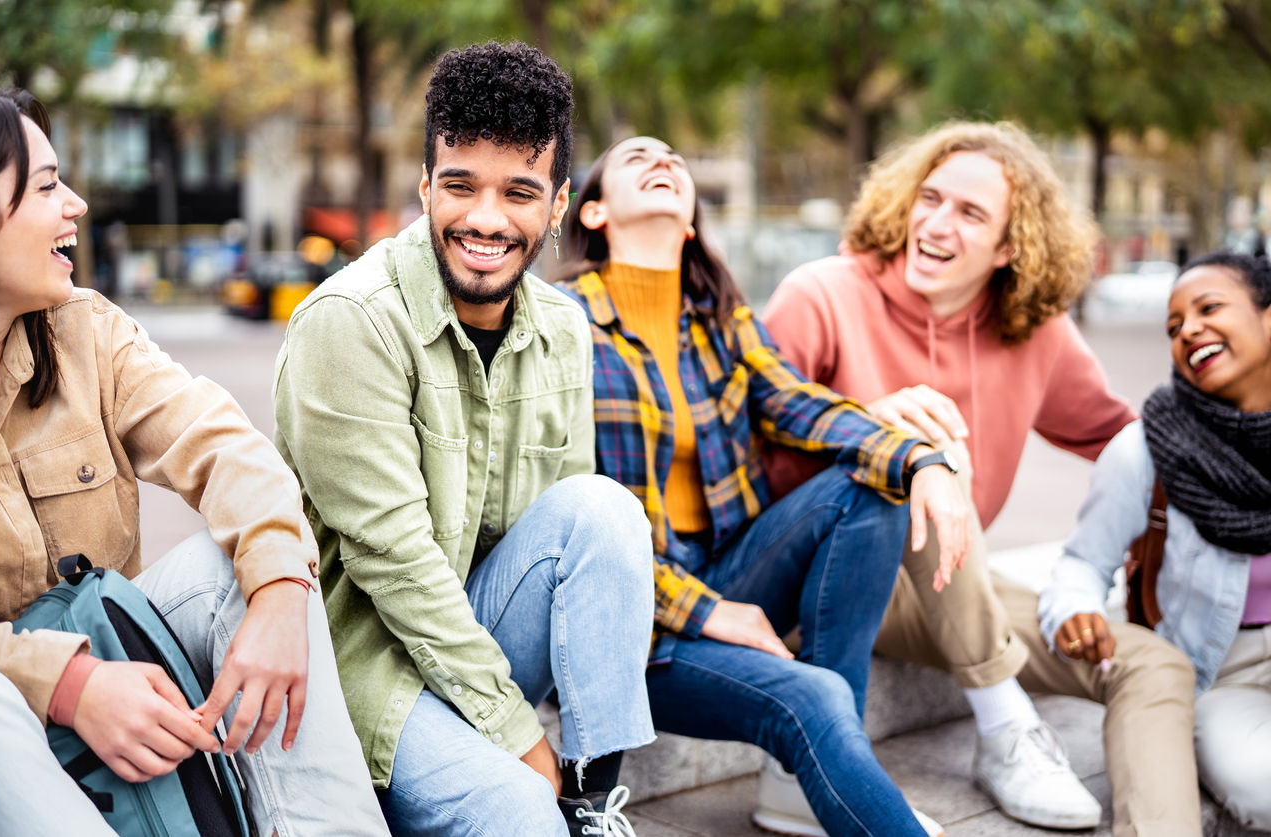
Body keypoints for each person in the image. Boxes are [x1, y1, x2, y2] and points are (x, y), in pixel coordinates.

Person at [763, 121, 1199, 835]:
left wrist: (1163, 522)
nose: (935, 223)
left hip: (948, 580)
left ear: (1010, 246)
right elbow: (748, 454)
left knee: (1154, 665)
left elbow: (1124, 440)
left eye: (970, 213)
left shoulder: (1033, 329)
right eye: (929, 198)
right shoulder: (820, 294)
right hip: (821, 581)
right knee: (921, 446)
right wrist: (870, 430)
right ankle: (1005, 727)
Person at [272, 42, 656, 837]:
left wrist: (524, 725)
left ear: (556, 205)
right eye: (460, 186)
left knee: (605, 510)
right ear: (424, 190)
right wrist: (517, 733)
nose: (485, 218)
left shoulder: (563, 329)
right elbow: (395, 564)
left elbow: (564, 549)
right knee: (522, 813)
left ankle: (592, 805)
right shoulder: (352, 321)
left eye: (518, 191)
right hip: (361, 668)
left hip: (473, 636)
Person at [0, 88, 387, 836]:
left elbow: (224, 443)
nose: (74, 203)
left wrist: (277, 588)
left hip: (126, 688)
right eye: (45, 186)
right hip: (10, 744)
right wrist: (68, 682)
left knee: (230, 565)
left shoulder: (86, 334)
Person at [556, 135, 973, 837]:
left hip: (728, 572)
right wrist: (707, 610)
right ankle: (825, 749)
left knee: (871, 489)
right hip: (629, 624)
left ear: (690, 219)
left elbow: (802, 404)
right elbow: (564, 523)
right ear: (594, 214)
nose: (665, 162)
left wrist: (920, 461)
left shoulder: (720, 318)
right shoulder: (561, 324)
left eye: (675, 162)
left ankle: (818, 763)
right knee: (811, 698)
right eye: (638, 159)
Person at [1041, 251, 1271, 832]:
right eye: (1174, 326)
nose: (1188, 329)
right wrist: (1075, 611)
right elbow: (1080, 567)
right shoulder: (1146, 449)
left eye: (1209, 308)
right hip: (1221, 674)